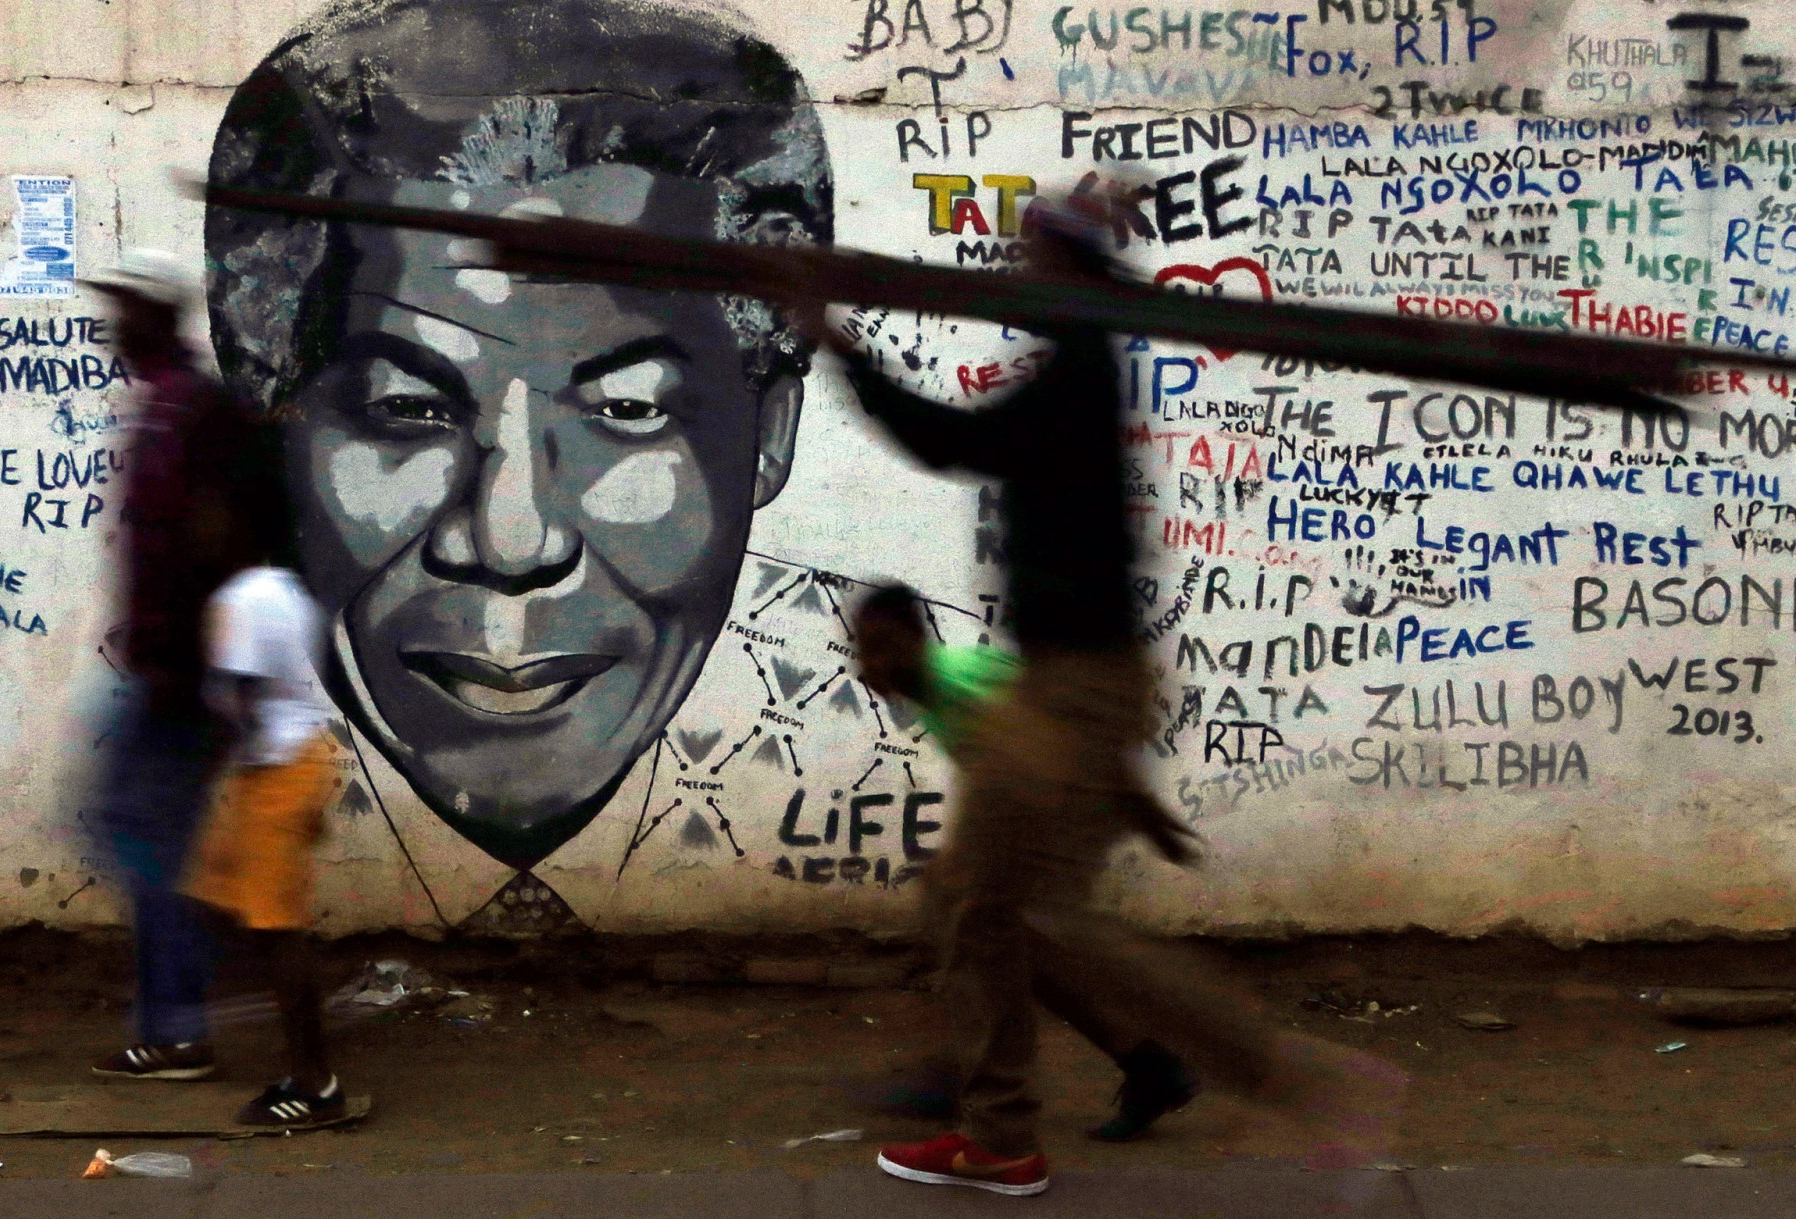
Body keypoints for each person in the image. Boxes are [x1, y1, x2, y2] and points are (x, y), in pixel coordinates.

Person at [801, 204, 1407, 1196]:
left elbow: (948, 442)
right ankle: (998, 1136)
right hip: (1064, 685)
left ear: (1067, 273)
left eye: (1034, 257)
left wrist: (839, 347)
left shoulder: (1074, 371)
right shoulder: (1074, 368)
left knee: (1035, 917)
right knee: (974, 906)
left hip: (1076, 685)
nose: (1015, 273)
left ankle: (1298, 1082)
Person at [201, 0, 832, 902]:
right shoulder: (162, 727)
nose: (511, 539)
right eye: (409, 411)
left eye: (625, 407)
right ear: (274, 423)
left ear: (768, 436)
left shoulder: (897, 704)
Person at [851, 582, 1201, 1143]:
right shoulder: (936, 690)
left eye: (882, 646)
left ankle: (975, 1083)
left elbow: (1053, 743)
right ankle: (1148, 1065)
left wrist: (1137, 806)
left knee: (982, 933)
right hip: (1045, 807)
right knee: (1011, 948)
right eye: (862, 649)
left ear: (916, 640)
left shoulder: (958, 680)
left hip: (1063, 806)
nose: (871, 665)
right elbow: (994, 770)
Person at [84, 250, 257, 1082]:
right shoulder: (164, 404)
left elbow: (213, 542)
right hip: (166, 665)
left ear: (156, 314)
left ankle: (180, 1023)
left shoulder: (194, 410)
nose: (109, 324)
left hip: (183, 674)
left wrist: (189, 658)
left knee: (143, 834)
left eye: (122, 308)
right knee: (138, 830)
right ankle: (183, 996)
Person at [180, 462, 347, 1128]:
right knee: (221, 903)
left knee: (277, 928)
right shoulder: (285, 589)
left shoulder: (244, 600)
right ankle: (197, 1032)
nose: (198, 531)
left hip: (276, 771)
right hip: (282, 768)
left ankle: (316, 1082)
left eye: (208, 519)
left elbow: (241, 705)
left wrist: (193, 776)